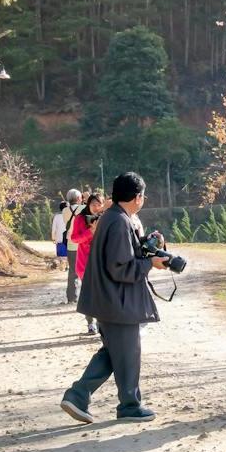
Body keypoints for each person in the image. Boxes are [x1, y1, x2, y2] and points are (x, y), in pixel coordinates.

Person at [60, 172, 169, 424]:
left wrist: (145, 247)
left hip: (107, 300)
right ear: (137, 197)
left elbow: (120, 257)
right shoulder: (119, 222)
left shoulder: (114, 218)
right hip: (117, 301)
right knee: (128, 352)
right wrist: (150, 262)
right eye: (143, 195)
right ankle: (129, 404)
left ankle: (78, 395)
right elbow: (120, 267)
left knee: (114, 352)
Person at [68, 191, 104, 336]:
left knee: (103, 294)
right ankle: (91, 324)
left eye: (98, 204)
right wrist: (91, 231)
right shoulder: (80, 218)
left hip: (103, 262)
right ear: (87, 204)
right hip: (85, 262)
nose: (95, 207)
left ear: (103, 205)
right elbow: (74, 238)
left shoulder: (107, 218)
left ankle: (103, 324)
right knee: (89, 294)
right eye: (93, 204)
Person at [55, 187, 81, 304]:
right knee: (86, 271)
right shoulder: (83, 208)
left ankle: (71, 297)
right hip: (82, 244)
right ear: (79, 198)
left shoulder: (65, 211)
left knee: (72, 272)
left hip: (71, 245)